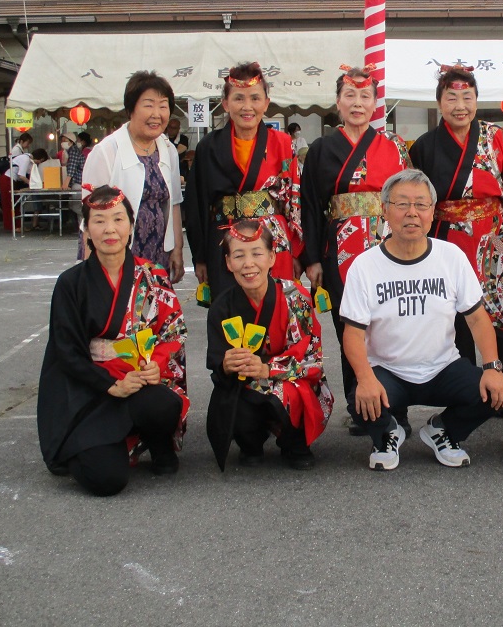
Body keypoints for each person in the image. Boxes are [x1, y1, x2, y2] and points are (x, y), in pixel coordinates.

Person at [340, 170, 503, 471]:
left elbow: (477, 319)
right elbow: (353, 333)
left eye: (421, 204)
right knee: (360, 398)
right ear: (385, 210)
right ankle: (388, 434)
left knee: (493, 392)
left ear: (433, 212)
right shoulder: (364, 266)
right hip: (388, 371)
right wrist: (366, 379)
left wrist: (492, 367)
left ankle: (443, 430)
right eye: (402, 204)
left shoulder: (451, 256)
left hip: (443, 367)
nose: (412, 213)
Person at [37, 185, 189, 496]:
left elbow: (172, 331)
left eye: (118, 219)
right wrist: (109, 384)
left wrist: (156, 366)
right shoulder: (70, 284)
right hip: (93, 390)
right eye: (99, 221)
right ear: (86, 230)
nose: (110, 229)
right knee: (106, 481)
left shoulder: (153, 275)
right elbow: (67, 352)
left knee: (162, 404)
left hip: (139, 382)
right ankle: (99, 444)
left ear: (131, 226)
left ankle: (159, 445)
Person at [301, 64, 411, 410]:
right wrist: (313, 258)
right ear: (337, 102)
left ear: (376, 102)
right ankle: (357, 398)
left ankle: (395, 398)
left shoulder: (393, 146)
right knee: (349, 321)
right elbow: (309, 205)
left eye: (366, 96)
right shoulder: (321, 149)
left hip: (387, 245)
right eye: (350, 95)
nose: (358, 103)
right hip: (340, 249)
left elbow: (409, 197)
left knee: (390, 320)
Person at [408, 64, 503, 368]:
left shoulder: (495, 137)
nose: (460, 106)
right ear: (439, 103)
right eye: (451, 98)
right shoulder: (424, 146)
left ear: (476, 100)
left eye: (467, 97)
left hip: (493, 236)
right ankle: (467, 388)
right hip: (448, 239)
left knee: (501, 308)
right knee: (455, 313)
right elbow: (419, 201)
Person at [205, 220, 333, 470]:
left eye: (257, 253)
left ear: (273, 257)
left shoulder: (296, 298)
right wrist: (227, 366)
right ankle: (250, 443)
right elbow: (217, 366)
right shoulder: (222, 306)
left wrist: (267, 369)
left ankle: (294, 442)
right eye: (239, 255)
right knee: (235, 401)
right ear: (229, 263)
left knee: (290, 393)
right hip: (246, 387)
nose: (248, 264)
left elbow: (310, 359)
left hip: (289, 382)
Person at [185, 62, 303, 301]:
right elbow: (196, 204)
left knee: (276, 311)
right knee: (230, 314)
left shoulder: (282, 143)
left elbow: (295, 200)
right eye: (239, 98)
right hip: (225, 243)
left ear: (266, 103)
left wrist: (299, 253)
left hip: (273, 242)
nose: (247, 107)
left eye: (255, 99)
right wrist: (200, 256)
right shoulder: (209, 146)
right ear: (226, 104)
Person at [82, 72, 185, 283]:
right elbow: (89, 216)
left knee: (155, 314)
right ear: (131, 109)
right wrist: (89, 270)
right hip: (116, 257)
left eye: (163, 106)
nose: (156, 114)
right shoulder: (106, 152)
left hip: (158, 255)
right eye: (148, 105)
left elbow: (173, 203)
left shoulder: (167, 149)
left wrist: (177, 249)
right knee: (118, 313)